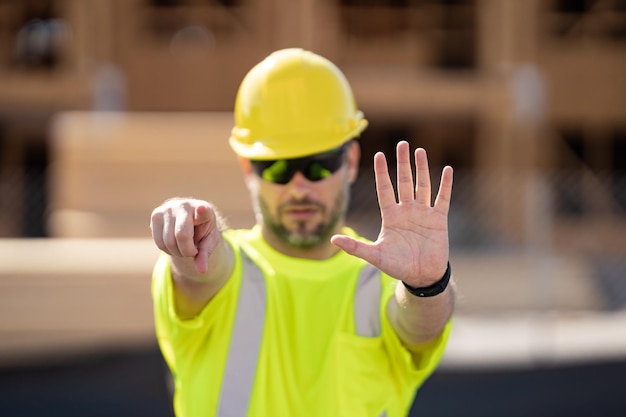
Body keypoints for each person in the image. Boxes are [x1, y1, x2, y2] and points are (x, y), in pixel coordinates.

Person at [150, 48, 455, 417]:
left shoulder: (387, 279)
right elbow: (200, 273)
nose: (298, 188)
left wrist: (427, 284)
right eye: (276, 168)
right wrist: (192, 240)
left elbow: (420, 326)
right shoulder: (226, 270)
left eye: (318, 165)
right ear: (248, 168)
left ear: (352, 161)